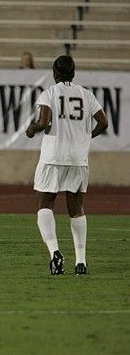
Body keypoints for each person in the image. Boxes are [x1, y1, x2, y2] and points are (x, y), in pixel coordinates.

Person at [26, 55, 107, 275]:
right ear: (74, 72)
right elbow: (104, 121)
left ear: (54, 72)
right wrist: (86, 137)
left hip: (53, 156)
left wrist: (32, 130)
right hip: (78, 158)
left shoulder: (50, 93)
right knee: (76, 208)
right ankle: (81, 261)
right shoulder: (86, 94)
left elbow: (43, 122)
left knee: (45, 204)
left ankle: (54, 252)